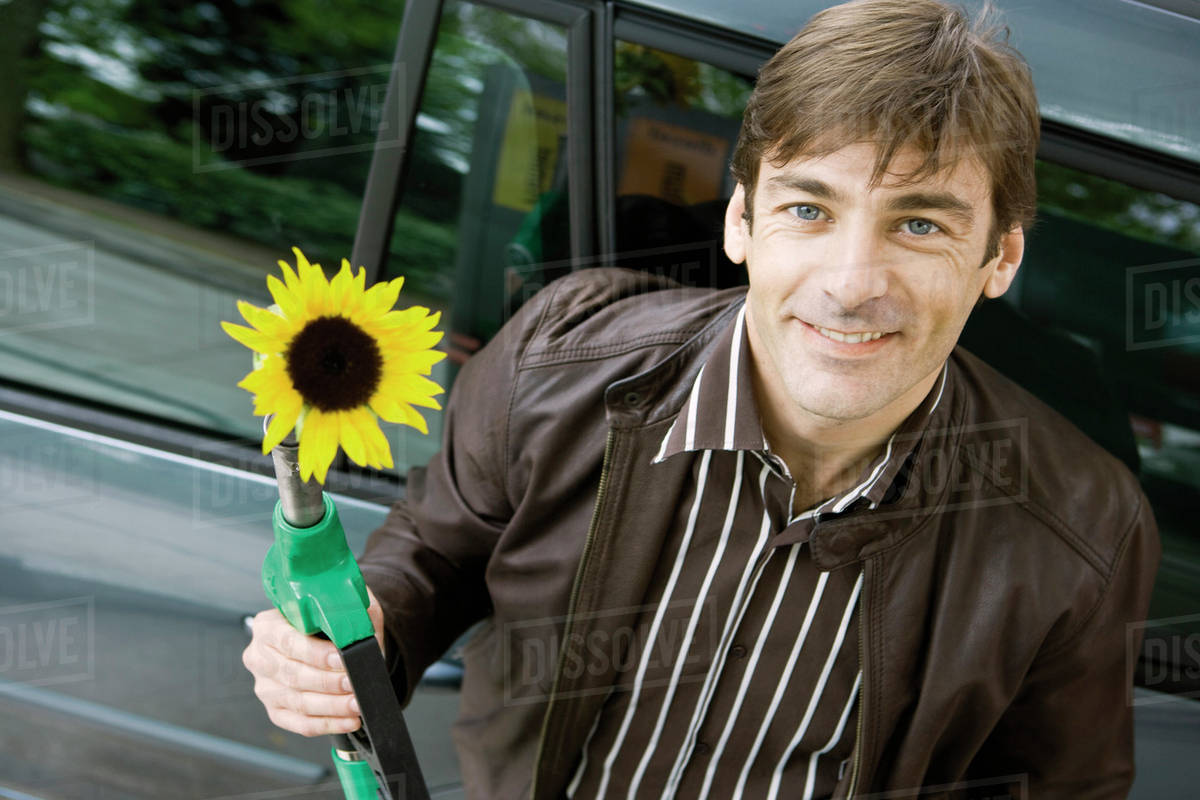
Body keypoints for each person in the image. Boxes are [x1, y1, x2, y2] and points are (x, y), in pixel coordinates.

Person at [241, 0, 1161, 797]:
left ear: (999, 256)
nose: (850, 282)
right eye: (809, 208)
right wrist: (351, 650)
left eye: (919, 223)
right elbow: (435, 553)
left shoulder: (1084, 528)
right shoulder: (558, 358)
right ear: (740, 218)